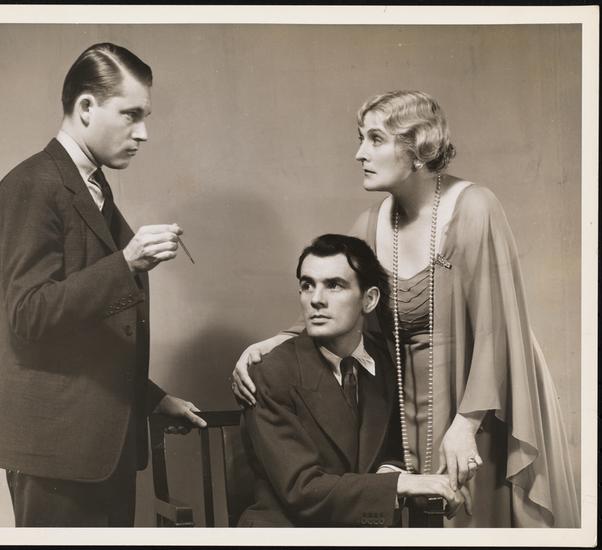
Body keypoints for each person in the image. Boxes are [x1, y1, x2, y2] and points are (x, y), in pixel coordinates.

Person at [232, 91, 579, 527]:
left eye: (376, 139)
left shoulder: (475, 207)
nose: (360, 153)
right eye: (361, 138)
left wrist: (465, 425)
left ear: (419, 149)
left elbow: (497, 332)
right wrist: (266, 346)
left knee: (473, 517)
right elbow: (334, 304)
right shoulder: (371, 224)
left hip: (481, 396)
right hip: (403, 399)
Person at [0, 42, 206, 527]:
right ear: (86, 107)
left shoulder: (92, 187)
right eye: (131, 115)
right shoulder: (32, 185)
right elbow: (29, 314)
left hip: (96, 450)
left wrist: (151, 399)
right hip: (56, 454)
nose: (143, 133)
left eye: (145, 117)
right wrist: (126, 263)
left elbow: (85, 337)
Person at [238, 234, 471, 527]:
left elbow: (393, 450)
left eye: (333, 285)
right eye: (307, 285)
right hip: (286, 534)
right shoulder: (271, 373)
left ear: (369, 300)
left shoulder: (385, 363)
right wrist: (400, 484)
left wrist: (389, 472)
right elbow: (302, 490)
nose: (316, 299)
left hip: (360, 531)